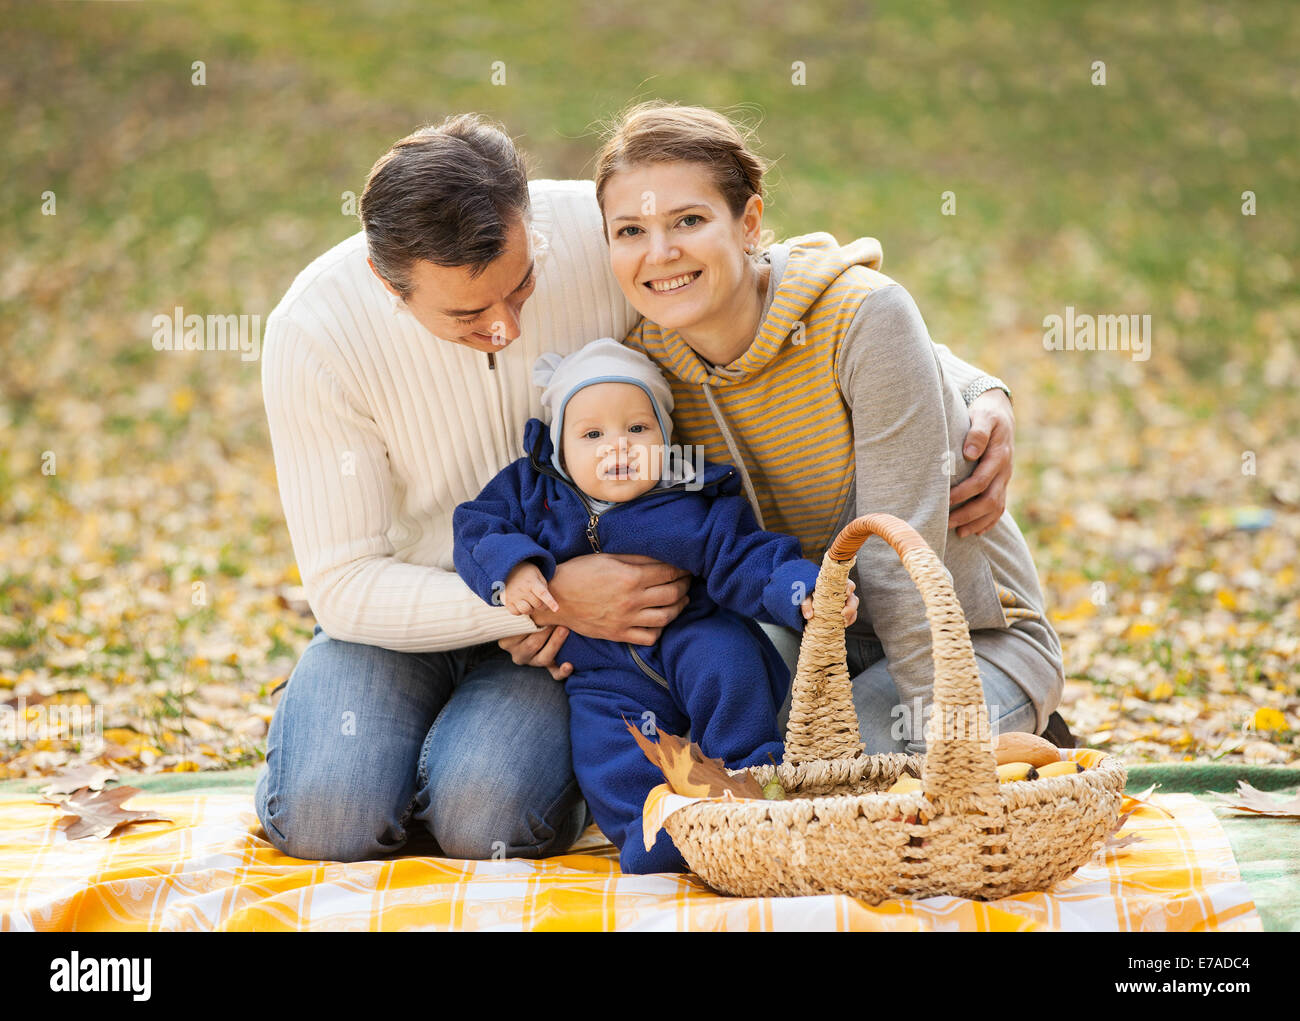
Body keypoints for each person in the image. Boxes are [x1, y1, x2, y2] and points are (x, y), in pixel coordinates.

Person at [255, 112, 1023, 863]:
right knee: (331, 814)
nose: (507, 329)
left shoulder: (603, 235)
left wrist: (975, 390)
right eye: (468, 314)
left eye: (521, 289)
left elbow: (784, 281)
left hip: (575, 645)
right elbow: (343, 581)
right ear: (385, 283)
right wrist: (546, 593)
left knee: (481, 811)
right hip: (407, 610)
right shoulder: (315, 333)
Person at [590, 101, 1071, 756]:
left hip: (969, 637)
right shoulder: (643, 370)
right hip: (814, 635)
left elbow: (898, 563)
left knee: (839, 774)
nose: (660, 251)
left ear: (748, 221)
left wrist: (945, 747)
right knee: (735, 759)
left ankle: (998, 728)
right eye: (629, 231)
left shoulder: (859, 320)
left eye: (689, 220)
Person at [452, 338, 857, 872]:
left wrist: (803, 591)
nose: (616, 447)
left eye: (637, 429)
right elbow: (476, 525)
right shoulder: (534, 493)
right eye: (592, 434)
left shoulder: (689, 498)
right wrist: (516, 569)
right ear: (558, 447)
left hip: (693, 632)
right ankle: (654, 835)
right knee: (608, 750)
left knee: (731, 670)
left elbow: (748, 556)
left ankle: (755, 793)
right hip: (601, 667)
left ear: (666, 440)